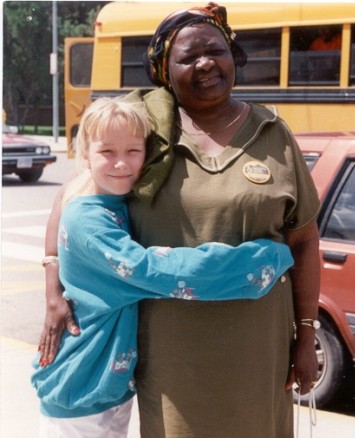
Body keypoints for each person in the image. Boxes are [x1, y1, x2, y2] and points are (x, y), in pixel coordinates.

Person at [39, 3, 321, 437]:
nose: (206, 63)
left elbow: (303, 239)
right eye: (188, 57)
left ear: (232, 55)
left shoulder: (273, 132)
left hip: (259, 350)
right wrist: (52, 279)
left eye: (216, 50)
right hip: (170, 357)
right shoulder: (145, 126)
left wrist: (306, 333)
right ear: (164, 70)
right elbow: (75, 189)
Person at [32, 96, 293, 438]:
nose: (121, 164)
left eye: (133, 151)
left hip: (104, 388)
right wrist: (267, 258)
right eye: (107, 152)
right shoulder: (88, 220)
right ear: (84, 156)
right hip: (78, 387)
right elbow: (161, 271)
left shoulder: (108, 200)